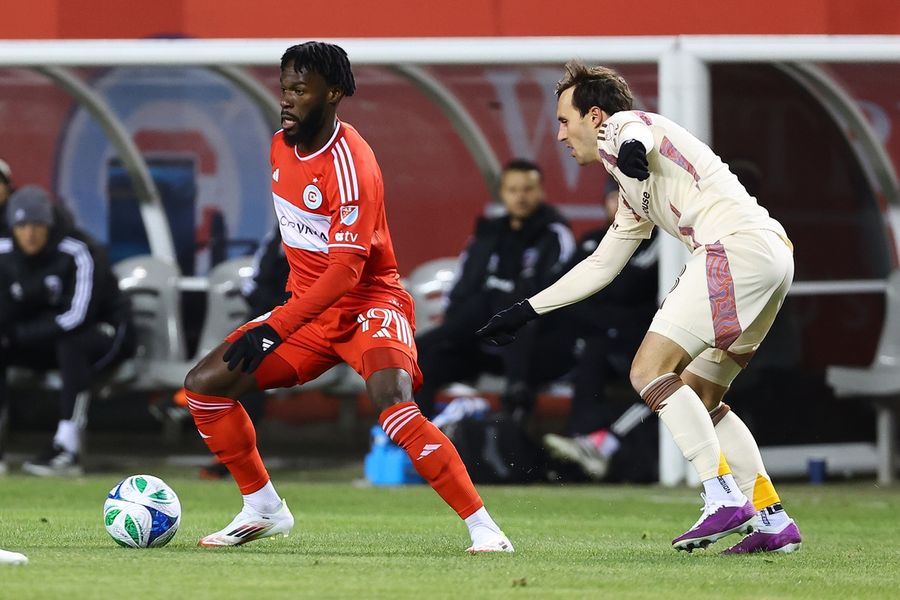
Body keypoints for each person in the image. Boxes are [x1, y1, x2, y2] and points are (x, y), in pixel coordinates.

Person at [182, 41, 512, 553]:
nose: (287, 100)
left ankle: (484, 529)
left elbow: (345, 272)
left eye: (300, 89)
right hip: (308, 315)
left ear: (333, 93)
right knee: (204, 386)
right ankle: (263, 507)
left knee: (394, 406)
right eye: (284, 88)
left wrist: (275, 326)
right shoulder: (279, 146)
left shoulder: (352, 165)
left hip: (368, 307)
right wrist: (283, 318)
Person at [479, 61, 801, 554]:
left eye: (564, 122)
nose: (561, 135)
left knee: (648, 370)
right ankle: (772, 519)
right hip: (771, 257)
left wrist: (628, 151)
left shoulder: (627, 130)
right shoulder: (632, 190)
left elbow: (634, 133)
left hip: (732, 249)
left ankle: (721, 496)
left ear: (593, 115)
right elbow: (601, 265)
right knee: (702, 395)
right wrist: (528, 309)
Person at [414, 159, 576, 422]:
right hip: (479, 344)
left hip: (535, 348)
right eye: (513, 190)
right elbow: (462, 290)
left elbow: (552, 295)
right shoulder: (487, 235)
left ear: (541, 192)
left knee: (509, 301)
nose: (520, 197)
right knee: (426, 364)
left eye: (527, 189)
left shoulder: (555, 235)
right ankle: (415, 443)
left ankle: (512, 445)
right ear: (502, 193)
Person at [0, 186, 134, 476]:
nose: (30, 234)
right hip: (44, 337)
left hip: (106, 335)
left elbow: (77, 316)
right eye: (22, 226)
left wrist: (18, 334)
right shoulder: (5, 252)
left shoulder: (79, 251)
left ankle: (67, 447)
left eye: (37, 225)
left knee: (72, 344)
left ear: (49, 225)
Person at [543, 179, 659, 480]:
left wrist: (600, 302)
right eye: (613, 198)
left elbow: (628, 290)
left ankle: (598, 445)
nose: (620, 205)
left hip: (645, 344)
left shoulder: (661, 244)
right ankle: (583, 442)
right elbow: (567, 291)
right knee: (591, 351)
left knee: (667, 388)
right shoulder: (593, 240)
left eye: (627, 197)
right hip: (600, 339)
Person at [198, 226, 289, 480]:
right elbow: (252, 284)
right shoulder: (277, 233)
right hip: (266, 323)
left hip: (301, 327)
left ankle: (231, 455)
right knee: (234, 365)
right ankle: (227, 448)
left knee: (252, 374)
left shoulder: (321, 234)